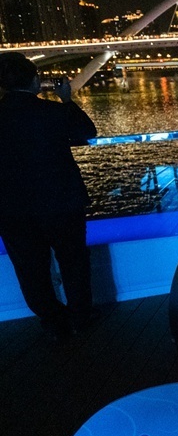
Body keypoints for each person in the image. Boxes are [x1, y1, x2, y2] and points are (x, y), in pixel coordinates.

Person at [0, 52, 97, 341]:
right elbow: (87, 132)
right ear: (34, 80)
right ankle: (80, 318)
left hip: (12, 209)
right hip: (62, 202)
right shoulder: (52, 112)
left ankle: (54, 321)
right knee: (73, 262)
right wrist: (66, 100)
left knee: (30, 270)